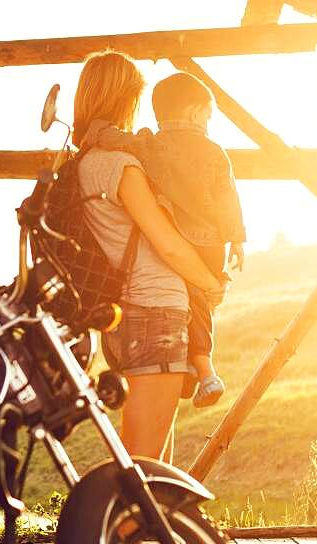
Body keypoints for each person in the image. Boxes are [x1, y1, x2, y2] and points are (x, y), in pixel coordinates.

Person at [73, 52, 226, 461]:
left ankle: (145, 528)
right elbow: (168, 242)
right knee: (141, 469)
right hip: (155, 312)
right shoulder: (121, 165)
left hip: (126, 317)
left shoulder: (84, 163)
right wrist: (210, 285)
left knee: (154, 470)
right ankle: (112, 528)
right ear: (126, 99)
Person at [83, 71, 247, 409]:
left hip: (176, 233)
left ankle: (201, 369)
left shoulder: (149, 145)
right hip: (209, 240)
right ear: (194, 113)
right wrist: (237, 240)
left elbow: (116, 139)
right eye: (207, 115)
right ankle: (203, 368)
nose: (207, 122)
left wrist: (95, 132)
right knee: (200, 299)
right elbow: (228, 199)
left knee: (192, 299)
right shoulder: (215, 152)